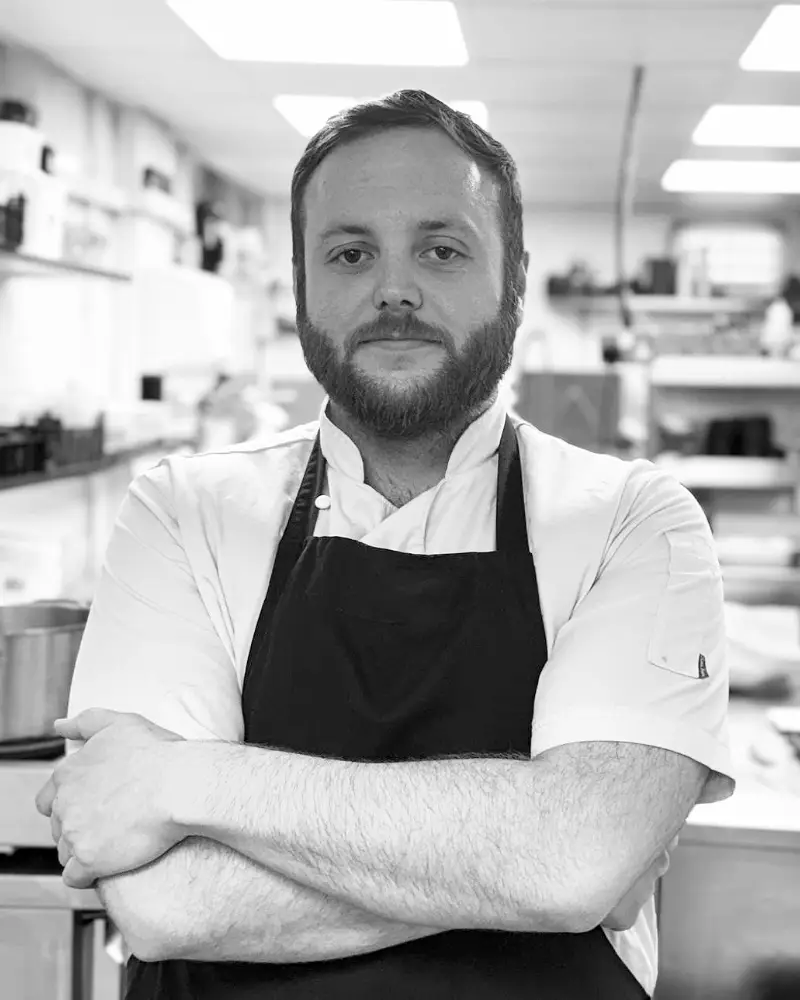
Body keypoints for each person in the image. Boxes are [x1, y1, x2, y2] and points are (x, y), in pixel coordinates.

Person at [35, 89, 735, 999]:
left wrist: (181, 780)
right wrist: (534, 861)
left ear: (513, 278)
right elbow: (166, 905)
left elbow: (577, 860)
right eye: (351, 253)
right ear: (301, 284)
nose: (394, 289)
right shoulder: (184, 510)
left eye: (442, 250)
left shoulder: (633, 520)